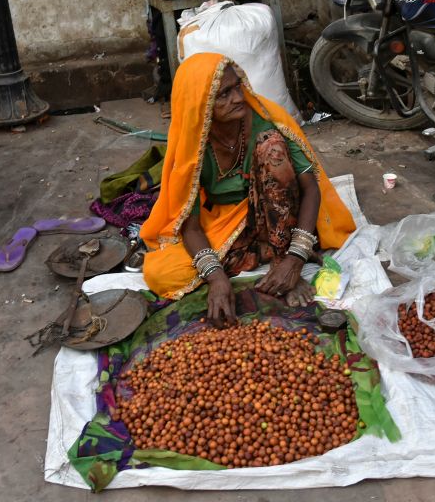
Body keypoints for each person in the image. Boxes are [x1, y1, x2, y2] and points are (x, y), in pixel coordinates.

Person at [140, 53, 356, 327]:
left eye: (237, 87)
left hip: (279, 213)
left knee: (272, 149)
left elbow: (310, 188)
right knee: (163, 274)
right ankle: (261, 251)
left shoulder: (265, 121)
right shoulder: (193, 142)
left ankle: (280, 258)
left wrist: (295, 258)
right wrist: (216, 277)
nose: (239, 98)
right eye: (224, 94)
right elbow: (190, 226)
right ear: (201, 105)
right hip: (231, 222)